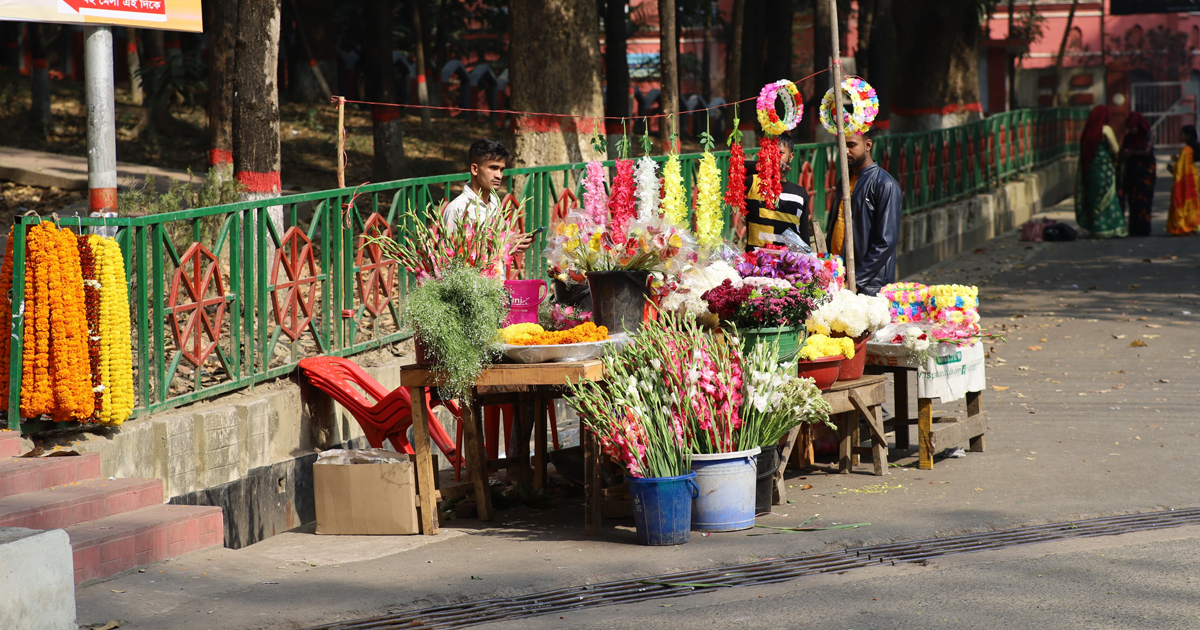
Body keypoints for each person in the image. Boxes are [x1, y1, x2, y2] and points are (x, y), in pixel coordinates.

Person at [823, 129, 901, 297]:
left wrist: (857, 281)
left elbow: (886, 241)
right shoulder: (845, 180)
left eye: (851, 145)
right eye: (842, 145)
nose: (845, 151)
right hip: (839, 277)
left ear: (868, 145)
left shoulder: (885, 184)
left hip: (869, 286)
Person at [744, 134, 812, 250]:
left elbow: (804, 236)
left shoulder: (800, 194)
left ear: (791, 157)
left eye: (780, 153)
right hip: (757, 259)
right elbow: (735, 168)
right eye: (771, 153)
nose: (775, 157)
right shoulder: (754, 183)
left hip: (789, 259)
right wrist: (764, 166)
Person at [1075, 106, 1129, 239]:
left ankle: (1096, 228)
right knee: (1109, 196)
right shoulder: (1106, 129)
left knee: (1094, 197)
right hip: (1105, 169)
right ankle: (1112, 228)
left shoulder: (1087, 131)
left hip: (1090, 170)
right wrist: (1117, 162)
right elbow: (1115, 149)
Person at [1118, 111, 1156, 237]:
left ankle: (1144, 228)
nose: (1132, 130)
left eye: (1133, 127)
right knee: (1133, 199)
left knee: (1144, 199)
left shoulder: (1149, 134)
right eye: (1130, 128)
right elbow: (1122, 152)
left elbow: (1146, 150)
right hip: (1131, 172)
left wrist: (1131, 152)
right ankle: (1134, 228)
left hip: (1145, 172)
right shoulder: (1128, 137)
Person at [1167, 125, 1200, 235]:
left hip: (1185, 181)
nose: (1179, 136)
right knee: (1191, 203)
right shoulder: (1192, 148)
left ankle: (1184, 226)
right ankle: (1192, 225)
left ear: (1187, 136)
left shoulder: (1186, 150)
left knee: (1182, 202)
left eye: (1181, 134)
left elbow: (1180, 168)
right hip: (1193, 179)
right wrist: (1178, 160)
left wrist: (1172, 167)